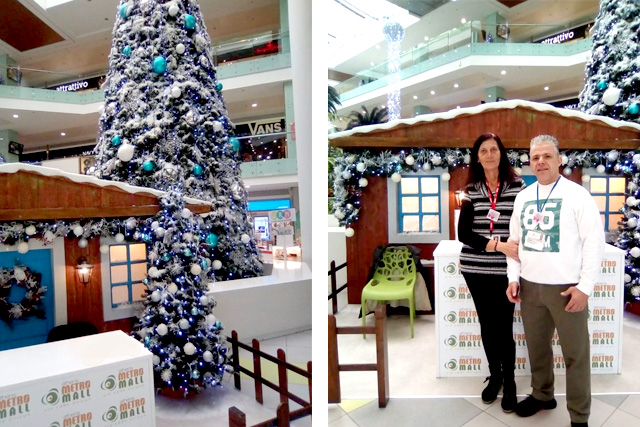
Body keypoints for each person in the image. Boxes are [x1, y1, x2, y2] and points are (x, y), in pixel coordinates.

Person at [506, 135, 604, 427]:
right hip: (530, 287)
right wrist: (513, 277)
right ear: (530, 162)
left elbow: (593, 242)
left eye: (547, 156)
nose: (541, 162)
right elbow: (514, 242)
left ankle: (579, 416)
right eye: (535, 157)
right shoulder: (524, 197)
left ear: (560, 160)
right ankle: (542, 395)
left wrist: (585, 287)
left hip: (567, 289)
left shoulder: (577, 195)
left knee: (575, 355)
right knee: (537, 350)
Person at [458, 132, 524, 412]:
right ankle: (495, 376)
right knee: (487, 325)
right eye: (483, 150)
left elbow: (523, 228)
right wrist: (498, 245)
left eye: (493, 149)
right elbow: (464, 234)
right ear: (477, 157)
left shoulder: (518, 186)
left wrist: (510, 251)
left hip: (505, 271)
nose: (488, 155)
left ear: (501, 153)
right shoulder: (471, 189)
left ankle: (510, 382)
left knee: (504, 327)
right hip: (475, 269)